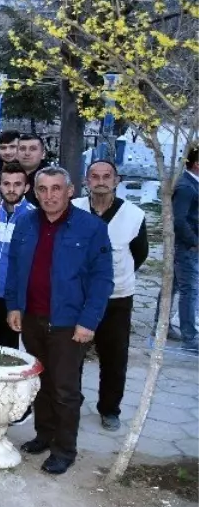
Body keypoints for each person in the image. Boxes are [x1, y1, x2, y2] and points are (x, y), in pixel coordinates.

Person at [6, 167, 113, 475]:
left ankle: (64, 449)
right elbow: (14, 268)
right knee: (40, 382)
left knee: (66, 389)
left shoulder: (90, 228)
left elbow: (102, 279)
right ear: (34, 192)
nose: (49, 195)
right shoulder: (26, 223)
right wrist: (14, 306)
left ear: (70, 191)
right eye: (43, 189)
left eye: (56, 189)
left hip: (69, 322)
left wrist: (88, 321)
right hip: (32, 318)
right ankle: (44, 435)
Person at [73, 159, 148, 431]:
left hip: (116, 297)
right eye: (95, 176)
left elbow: (139, 254)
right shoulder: (75, 209)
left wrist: (114, 279)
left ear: (116, 181)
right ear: (86, 180)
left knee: (114, 356)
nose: (101, 181)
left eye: (107, 176)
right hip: (79, 296)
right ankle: (72, 402)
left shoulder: (133, 215)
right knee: (72, 354)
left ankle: (110, 409)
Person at [0, 164, 35, 348]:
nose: (11, 189)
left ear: (26, 187)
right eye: (6, 183)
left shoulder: (34, 218)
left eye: (17, 184)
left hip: (17, 301)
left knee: (12, 355)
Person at [173, 145, 199, 352]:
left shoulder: (192, 184)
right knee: (189, 289)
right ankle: (189, 337)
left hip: (186, 245)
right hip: (186, 247)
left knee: (173, 286)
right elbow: (179, 220)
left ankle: (159, 326)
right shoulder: (186, 187)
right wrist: (194, 242)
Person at [17, 134, 51, 203]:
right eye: (23, 149)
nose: (27, 153)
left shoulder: (53, 178)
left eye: (33, 149)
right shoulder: (8, 175)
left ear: (43, 154)